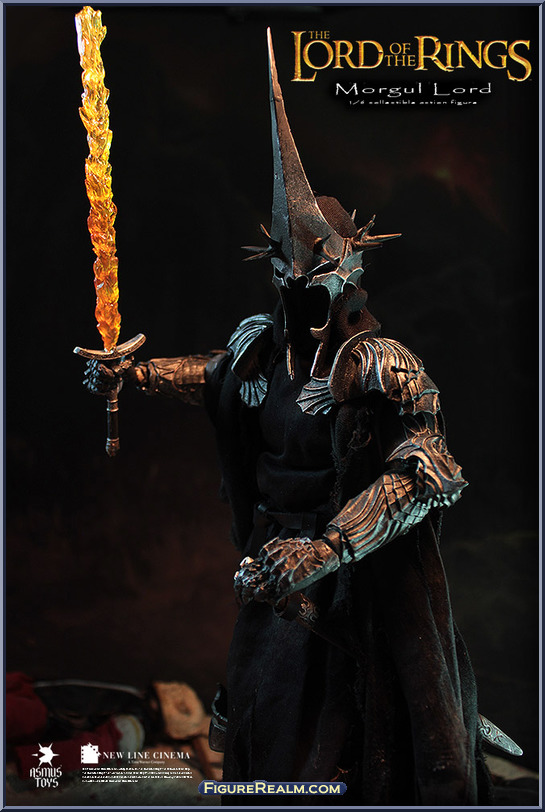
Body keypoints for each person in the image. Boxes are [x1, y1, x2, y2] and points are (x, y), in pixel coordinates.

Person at [83, 31, 493, 806]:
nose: (302, 293)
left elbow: (428, 474)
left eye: (317, 278)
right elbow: (208, 375)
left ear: (348, 271)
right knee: (265, 724)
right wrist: (130, 374)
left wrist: (329, 548)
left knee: (357, 745)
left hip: (358, 587)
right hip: (270, 573)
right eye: (289, 275)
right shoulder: (257, 354)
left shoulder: (382, 364)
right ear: (272, 270)